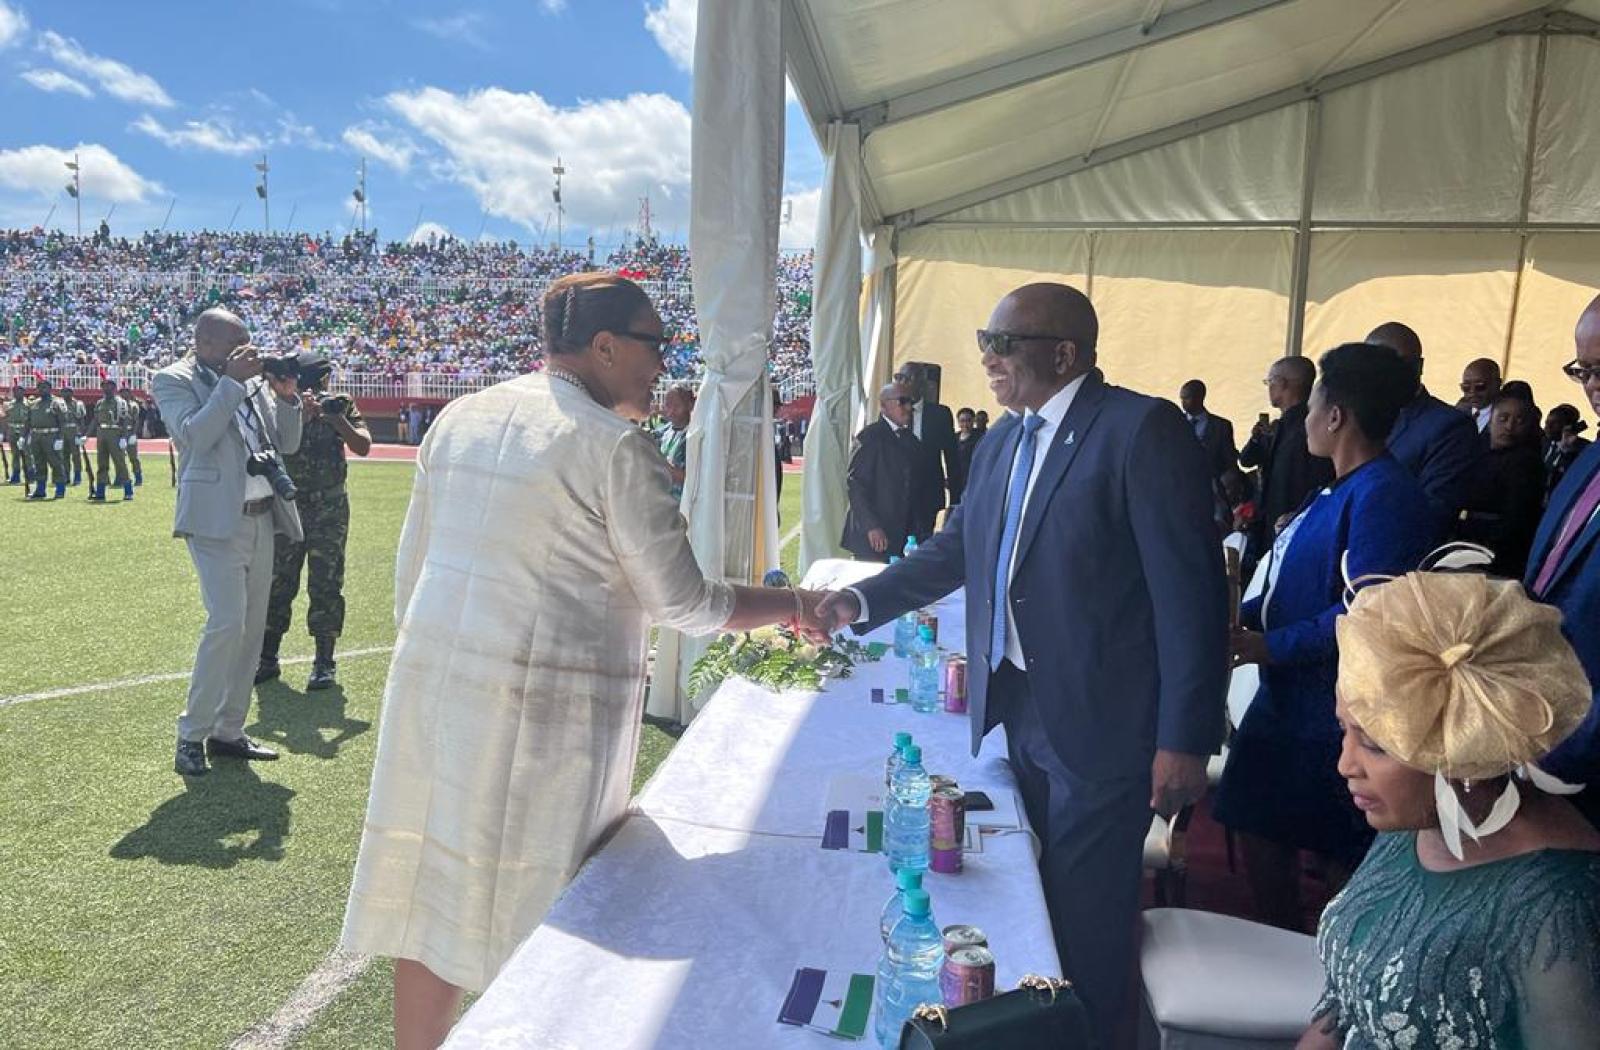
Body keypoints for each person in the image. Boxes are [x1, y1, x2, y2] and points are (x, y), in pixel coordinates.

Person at [339, 273, 826, 1050]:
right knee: (548, 928)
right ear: (604, 346)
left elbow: (413, 573)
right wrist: (794, 606)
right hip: (544, 731)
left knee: (433, 905)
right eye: (654, 345)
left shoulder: (462, 417)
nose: (662, 366)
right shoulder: (612, 446)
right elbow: (684, 603)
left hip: (435, 706)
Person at [812, 283, 1227, 1040]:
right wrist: (861, 603)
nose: (986, 357)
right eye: (985, 340)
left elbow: (1190, 596)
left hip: (1105, 721)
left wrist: (1185, 737)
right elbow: (954, 551)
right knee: (1036, 896)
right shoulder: (1004, 439)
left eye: (1001, 343)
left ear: (1062, 353)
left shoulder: (1140, 430)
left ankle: (1093, 1034)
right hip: (1019, 707)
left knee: (1088, 918)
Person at [1302, 570, 1600, 1049]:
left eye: (1375, 745)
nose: (1345, 764)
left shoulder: (1556, 908)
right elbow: (1345, 1004)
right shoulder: (1420, 816)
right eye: (1345, 729)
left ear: (1461, 747)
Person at [1215, 343, 1437, 932]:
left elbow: (1370, 613)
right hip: (1291, 696)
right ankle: (1284, 941)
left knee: (1334, 843)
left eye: (1311, 404)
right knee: (1258, 815)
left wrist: (1267, 645)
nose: (1305, 418)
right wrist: (1246, 617)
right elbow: (1297, 581)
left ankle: (1323, 960)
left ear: (1335, 415)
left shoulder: (1383, 494)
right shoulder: (1335, 489)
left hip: (1330, 706)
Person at [152, 308, 304, 777]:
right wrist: (232, 384)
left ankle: (229, 731)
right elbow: (194, 435)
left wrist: (287, 398)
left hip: (262, 519)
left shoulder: (251, 381)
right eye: (235, 343)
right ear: (205, 343)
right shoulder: (172, 378)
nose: (247, 350)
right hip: (216, 521)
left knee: (251, 630)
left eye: (248, 342)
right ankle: (191, 735)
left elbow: (287, 444)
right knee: (226, 623)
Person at [1526, 293, 1600, 830]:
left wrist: (1559, 754)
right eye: (1585, 370)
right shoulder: (1586, 459)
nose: (1594, 384)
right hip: (1540, 733)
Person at [258, 353, 371, 691]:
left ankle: (324, 662)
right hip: (290, 506)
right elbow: (275, 450)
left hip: (329, 508)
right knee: (279, 583)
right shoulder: (280, 405)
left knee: (326, 583)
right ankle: (267, 657)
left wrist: (336, 420)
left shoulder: (341, 404)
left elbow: (363, 445)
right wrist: (301, 417)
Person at [1367, 321, 1479, 528]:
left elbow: (1435, 510)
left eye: (1397, 365)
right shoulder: (1360, 416)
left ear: (1418, 367)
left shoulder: (1450, 427)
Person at [1239, 356, 1334, 577]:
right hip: (1271, 532)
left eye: (1270, 381)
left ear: (1283, 383)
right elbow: (1247, 461)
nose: (1269, 387)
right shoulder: (1280, 426)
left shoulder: (1311, 427)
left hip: (1296, 538)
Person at [1457, 394, 1546, 579]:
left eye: (1519, 421)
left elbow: (1517, 518)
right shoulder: (1479, 452)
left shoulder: (1526, 463)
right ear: (1490, 420)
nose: (1509, 426)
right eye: (1503, 418)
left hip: (1491, 554)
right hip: (1462, 542)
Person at [840, 381, 921, 562]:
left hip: (902, 534)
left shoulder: (911, 440)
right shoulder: (870, 437)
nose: (909, 407)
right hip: (873, 536)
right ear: (884, 406)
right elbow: (855, 484)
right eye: (902, 401)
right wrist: (872, 526)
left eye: (910, 401)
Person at [893, 362, 957, 538]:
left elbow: (952, 458)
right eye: (898, 377)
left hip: (928, 494)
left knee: (923, 545)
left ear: (922, 382)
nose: (902, 383)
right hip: (897, 494)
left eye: (908, 379)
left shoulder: (940, 414)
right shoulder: (892, 411)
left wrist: (955, 501)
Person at [1179, 378, 1238, 481]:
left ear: (1199, 398)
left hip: (1211, 486)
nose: (1183, 402)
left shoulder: (1221, 426)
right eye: (1181, 398)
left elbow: (1229, 460)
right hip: (1181, 484)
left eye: (1187, 398)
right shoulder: (1175, 423)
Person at [87, 377, 134, 502]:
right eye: (104, 386)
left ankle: (128, 490)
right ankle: (100, 491)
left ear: (114, 388)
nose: (106, 388)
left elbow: (124, 420)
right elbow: (95, 420)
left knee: (120, 463)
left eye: (109, 386)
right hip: (102, 433)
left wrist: (124, 437)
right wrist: (86, 435)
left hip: (115, 432)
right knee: (101, 463)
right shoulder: (100, 403)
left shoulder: (120, 402)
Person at [24, 376, 68, 501]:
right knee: (39, 463)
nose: (42, 390)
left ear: (50, 388)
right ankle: (40, 489)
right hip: (36, 436)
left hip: (51, 436)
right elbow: (28, 421)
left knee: (56, 463)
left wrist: (60, 438)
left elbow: (63, 421)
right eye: (40, 387)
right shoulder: (34, 403)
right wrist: (24, 436)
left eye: (45, 387)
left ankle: (60, 489)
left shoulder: (57, 402)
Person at [1544, 403, 1591, 502]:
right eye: (1547, 422)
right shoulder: (1543, 442)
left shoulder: (1584, 449)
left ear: (1568, 427)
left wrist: (1566, 451)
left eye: (1554, 423)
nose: (1547, 427)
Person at [656, 384, 693, 500]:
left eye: (677, 406)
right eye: (667, 405)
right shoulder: (663, 432)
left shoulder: (694, 436)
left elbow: (693, 478)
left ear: (689, 405)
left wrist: (661, 464)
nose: (671, 411)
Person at [1459, 357, 1502, 435]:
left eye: (1480, 386)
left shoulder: (1507, 416)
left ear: (1497, 384)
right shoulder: (1460, 410)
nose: (1472, 393)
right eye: (1466, 387)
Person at [950, 406, 982, 504]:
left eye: (968, 420)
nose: (965, 424)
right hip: (956, 479)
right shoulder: (953, 438)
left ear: (973, 421)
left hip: (973, 478)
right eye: (962, 421)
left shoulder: (980, 438)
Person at [59, 387, 86, 487]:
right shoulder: (59, 404)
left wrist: (81, 434)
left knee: (76, 456)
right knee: (63, 455)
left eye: (67, 392)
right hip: (63, 430)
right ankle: (66, 476)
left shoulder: (78, 404)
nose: (65, 394)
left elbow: (82, 420)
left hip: (74, 430)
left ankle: (77, 476)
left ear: (72, 393)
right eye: (63, 392)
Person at [5, 382, 30, 485]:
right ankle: (16, 475)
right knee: (15, 454)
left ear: (24, 392)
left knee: (28, 454)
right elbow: (5, 418)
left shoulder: (29, 404)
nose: (17, 393)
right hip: (12, 430)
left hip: (24, 430)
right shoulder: (9, 404)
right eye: (15, 391)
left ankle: (30, 475)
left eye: (20, 391)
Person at [120, 384, 145, 486]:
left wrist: (134, 434)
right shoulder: (118, 404)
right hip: (120, 433)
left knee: (133, 457)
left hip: (130, 432)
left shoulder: (133, 405)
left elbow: (136, 421)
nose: (124, 394)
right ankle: (121, 477)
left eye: (126, 392)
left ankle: (138, 477)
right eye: (122, 392)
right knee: (120, 457)